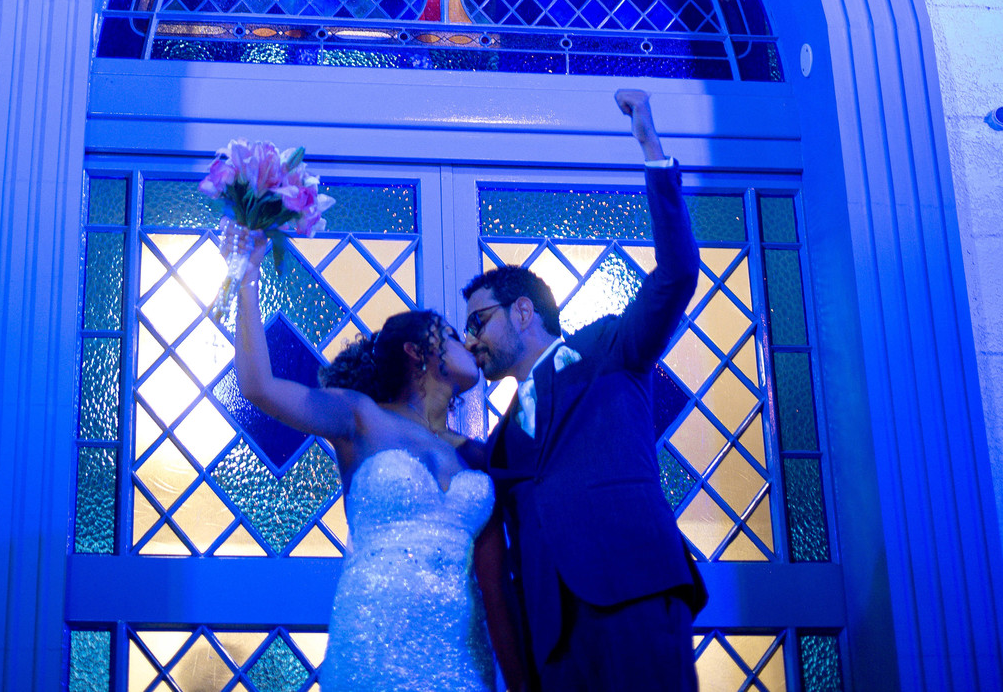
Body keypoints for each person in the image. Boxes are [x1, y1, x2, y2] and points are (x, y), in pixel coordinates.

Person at [462, 87, 707, 692]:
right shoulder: (499, 443)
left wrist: (650, 145)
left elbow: (677, 274)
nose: (471, 341)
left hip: (633, 596)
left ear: (523, 312)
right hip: (554, 640)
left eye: (479, 322)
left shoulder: (607, 351)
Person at [231, 228, 531, 692]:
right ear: (417, 350)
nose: (471, 345)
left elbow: (497, 589)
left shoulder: (477, 456)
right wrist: (246, 274)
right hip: (373, 644)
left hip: (460, 659)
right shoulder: (362, 417)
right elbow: (259, 387)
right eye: (454, 336)